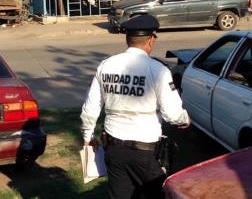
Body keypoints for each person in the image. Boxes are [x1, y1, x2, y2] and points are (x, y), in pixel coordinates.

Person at [80, 14, 191, 199]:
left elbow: (90, 108)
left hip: (113, 149)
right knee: (157, 194)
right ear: (150, 41)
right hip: (145, 152)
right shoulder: (158, 70)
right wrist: (185, 119)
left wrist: (87, 136)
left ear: (128, 39)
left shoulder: (106, 65)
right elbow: (172, 114)